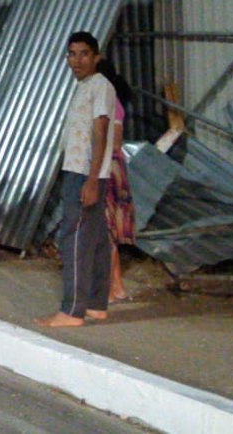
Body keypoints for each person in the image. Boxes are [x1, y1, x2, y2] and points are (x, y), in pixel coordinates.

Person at [36, 32, 115, 328]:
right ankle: (96, 304)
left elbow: (100, 131)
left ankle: (71, 311)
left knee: (75, 239)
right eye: (71, 54)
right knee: (94, 241)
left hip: (85, 173)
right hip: (81, 171)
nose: (76, 60)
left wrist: (92, 179)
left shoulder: (100, 87)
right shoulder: (84, 87)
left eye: (84, 54)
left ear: (96, 57)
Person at [97, 59, 136, 303]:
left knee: (104, 231)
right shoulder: (114, 103)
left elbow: (114, 142)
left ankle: (110, 290)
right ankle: (117, 287)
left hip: (105, 168)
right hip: (112, 167)